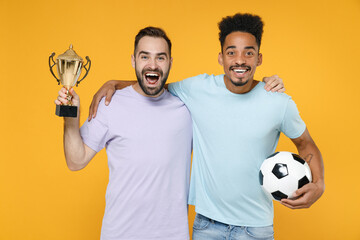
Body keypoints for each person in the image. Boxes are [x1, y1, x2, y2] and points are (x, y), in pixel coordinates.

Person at [89, 13, 324, 240]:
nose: (240, 60)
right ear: (221, 57)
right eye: (231, 53)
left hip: (256, 228)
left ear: (259, 58)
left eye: (248, 53)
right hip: (206, 226)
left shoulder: (279, 102)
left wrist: (319, 184)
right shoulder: (197, 89)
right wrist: (114, 83)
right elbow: (155, 83)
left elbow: (305, 143)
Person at [55, 27, 193, 240]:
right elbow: (76, 160)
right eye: (144, 56)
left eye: (160, 57)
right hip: (119, 234)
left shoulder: (187, 109)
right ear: (133, 60)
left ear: (170, 62)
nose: (152, 65)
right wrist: (70, 117)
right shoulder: (111, 104)